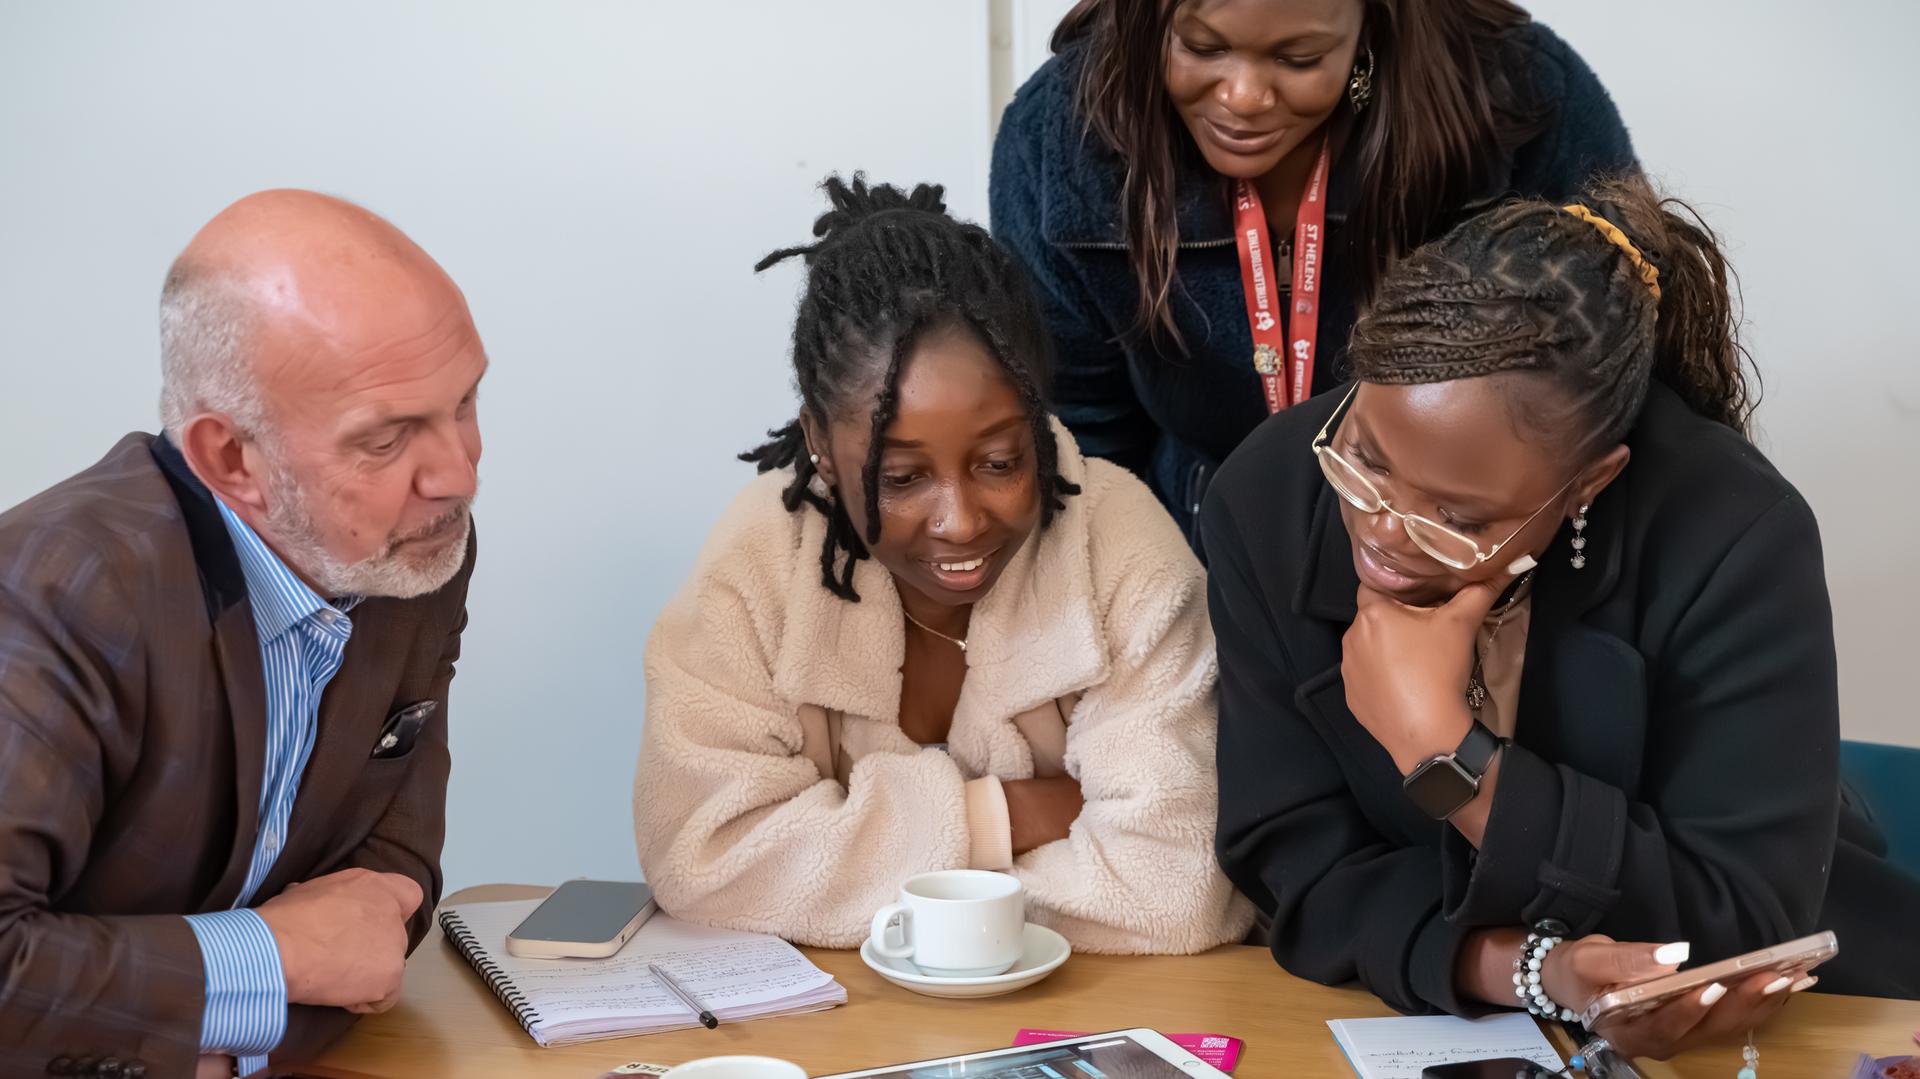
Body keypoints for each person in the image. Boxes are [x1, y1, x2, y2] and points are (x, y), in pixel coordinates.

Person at [1202, 173, 1920, 1059]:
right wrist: (1530, 967)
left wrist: (1449, 756)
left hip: (1806, 1030)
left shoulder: (1736, 534)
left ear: (1590, 483)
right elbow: (1297, 867)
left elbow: (1738, 920)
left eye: (1458, 519)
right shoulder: (1265, 498)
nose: (1381, 533)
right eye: (1366, 459)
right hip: (1430, 1022)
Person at [635, 176, 1252, 954]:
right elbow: (706, 858)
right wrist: (1011, 815)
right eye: (901, 478)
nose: (961, 520)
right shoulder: (762, 556)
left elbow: (1179, 886)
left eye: (1000, 461)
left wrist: (845, 864)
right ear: (820, 442)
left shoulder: (1121, 546)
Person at [0, 191, 484, 1079]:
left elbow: (388, 883)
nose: (456, 472)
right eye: (386, 439)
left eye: (466, 401)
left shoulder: (409, 551)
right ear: (230, 459)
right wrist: (274, 957)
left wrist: (225, 1036)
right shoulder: (53, 591)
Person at [991, 0, 1636, 542]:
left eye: (1298, 59)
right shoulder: (1057, 140)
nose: (1243, 97)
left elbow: (1612, 363)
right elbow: (1083, 437)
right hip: (1191, 535)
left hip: (1452, 541)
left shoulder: (1519, 101)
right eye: (1201, 47)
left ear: (1368, 30)